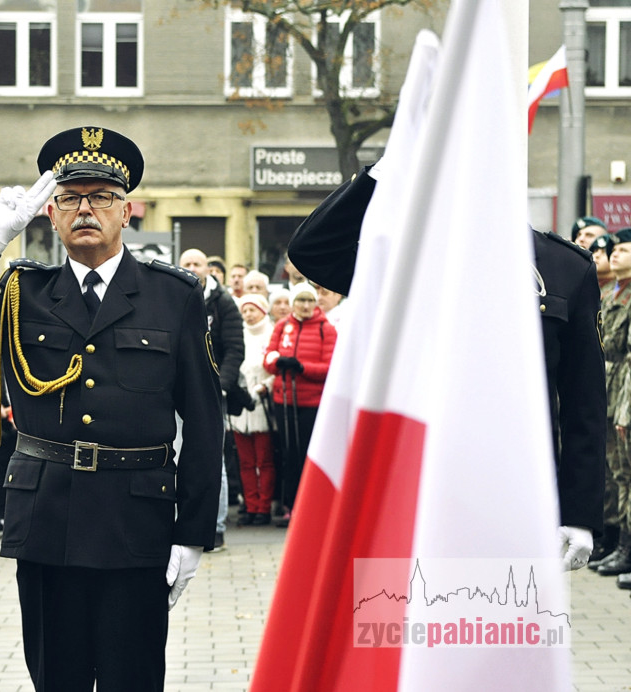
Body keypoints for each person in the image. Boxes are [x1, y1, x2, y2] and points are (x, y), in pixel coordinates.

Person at [0, 126, 223, 692]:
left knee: (134, 679)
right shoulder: (22, 293)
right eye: (71, 198)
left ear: (127, 211)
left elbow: (203, 423)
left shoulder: (173, 296)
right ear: (49, 215)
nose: (86, 209)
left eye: (101, 196)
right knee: (58, 679)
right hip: (49, 518)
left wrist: (193, 532)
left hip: (137, 521)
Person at [286, 164, 607, 570]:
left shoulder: (565, 267)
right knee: (395, 625)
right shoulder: (411, 259)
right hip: (408, 488)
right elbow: (312, 250)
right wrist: (385, 170)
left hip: (513, 494)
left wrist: (579, 512)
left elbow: (585, 405)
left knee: (504, 628)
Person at [179, 247, 245, 551]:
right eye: (187, 263)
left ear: (209, 269)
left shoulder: (224, 303)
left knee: (212, 459)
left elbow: (235, 348)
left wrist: (220, 385)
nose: (192, 267)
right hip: (177, 391)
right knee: (177, 456)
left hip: (211, 392)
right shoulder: (174, 296)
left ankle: (215, 529)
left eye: (197, 263)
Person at [263, 282, 337, 526]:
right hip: (284, 401)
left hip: (311, 403)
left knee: (307, 454)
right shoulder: (283, 326)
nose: (305, 306)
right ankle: (290, 505)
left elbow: (330, 368)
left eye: (309, 301)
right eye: (300, 301)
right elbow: (269, 359)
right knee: (287, 454)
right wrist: (278, 363)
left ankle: (311, 508)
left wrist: (302, 367)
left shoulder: (326, 329)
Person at [592, 229, 631, 579]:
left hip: (624, 388)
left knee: (625, 472)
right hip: (611, 385)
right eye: (613, 249)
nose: (614, 254)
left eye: (622, 249)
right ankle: (614, 541)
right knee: (615, 471)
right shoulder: (610, 291)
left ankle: (623, 545)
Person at [229, 294, 276, 526]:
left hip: (262, 403)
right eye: (245, 310)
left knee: (264, 459)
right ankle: (251, 504)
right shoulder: (239, 335)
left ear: (262, 310)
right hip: (240, 404)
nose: (248, 314)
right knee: (245, 461)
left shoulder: (271, 333)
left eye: (253, 309)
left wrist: (264, 388)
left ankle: (264, 506)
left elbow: (273, 370)